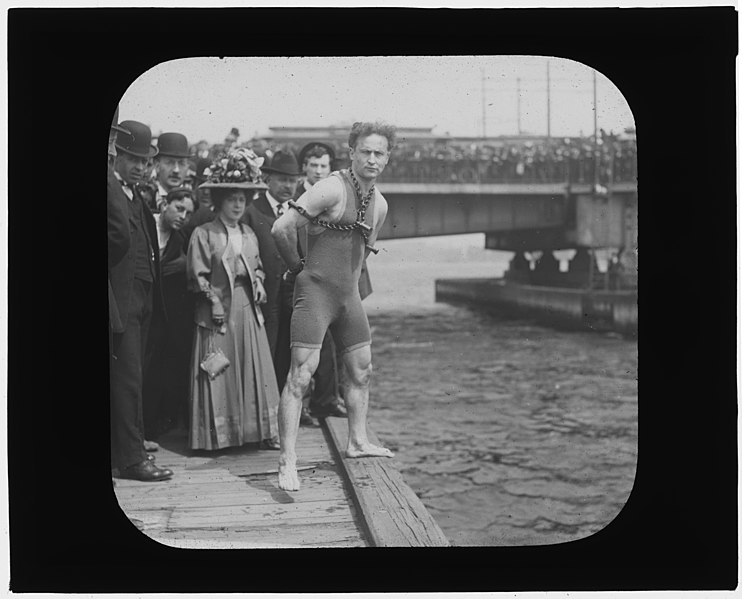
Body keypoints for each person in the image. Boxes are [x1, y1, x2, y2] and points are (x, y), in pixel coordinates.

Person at [272, 122, 396, 491]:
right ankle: (287, 460)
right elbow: (281, 228)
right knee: (300, 377)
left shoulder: (381, 204)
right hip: (315, 293)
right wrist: (298, 271)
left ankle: (357, 441)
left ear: (387, 158)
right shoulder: (330, 187)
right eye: (366, 151)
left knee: (362, 370)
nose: (372, 158)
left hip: (347, 298)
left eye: (380, 153)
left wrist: (352, 294)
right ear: (352, 152)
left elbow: (361, 257)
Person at [186, 148, 280, 451]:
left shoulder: (249, 233)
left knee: (253, 368)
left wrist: (260, 283)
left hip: (246, 307)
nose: (238, 205)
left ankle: (257, 432)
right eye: (231, 200)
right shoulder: (204, 233)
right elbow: (196, 275)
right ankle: (217, 437)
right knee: (218, 370)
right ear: (219, 202)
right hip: (217, 310)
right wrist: (212, 301)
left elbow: (259, 267)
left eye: (242, 200)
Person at [109, 119, 173, 481]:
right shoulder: (110, 189)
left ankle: (128, 449)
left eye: (144, 161)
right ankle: (132, 460)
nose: (139, 166)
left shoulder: (134, 194)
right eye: (132, 158)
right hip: (123, 297)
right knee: (128, 378)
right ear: (116, 154)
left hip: (143, 296)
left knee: (135, 375)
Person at [241, 150, 301, 396]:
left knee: (289, 354)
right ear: (268, 180)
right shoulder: (252, 211)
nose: (288, 185)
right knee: (264, 350)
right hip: (263, 298)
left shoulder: (299, 212)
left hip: (291, 297)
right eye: (283, 179)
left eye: (293, 180)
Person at [142, 187, 196, 440]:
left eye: (188, 212)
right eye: (179, 208)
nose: (183, 216)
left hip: (159, 314)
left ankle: (152, 424)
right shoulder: (145, 225)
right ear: (164, 204)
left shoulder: (179, 239)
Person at [153, 132, 191, 210]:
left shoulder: (197, 210)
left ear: (187, 167)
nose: (176, 170)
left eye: (181, 163)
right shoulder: (142, 201)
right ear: (157, 166)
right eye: (169, 162)